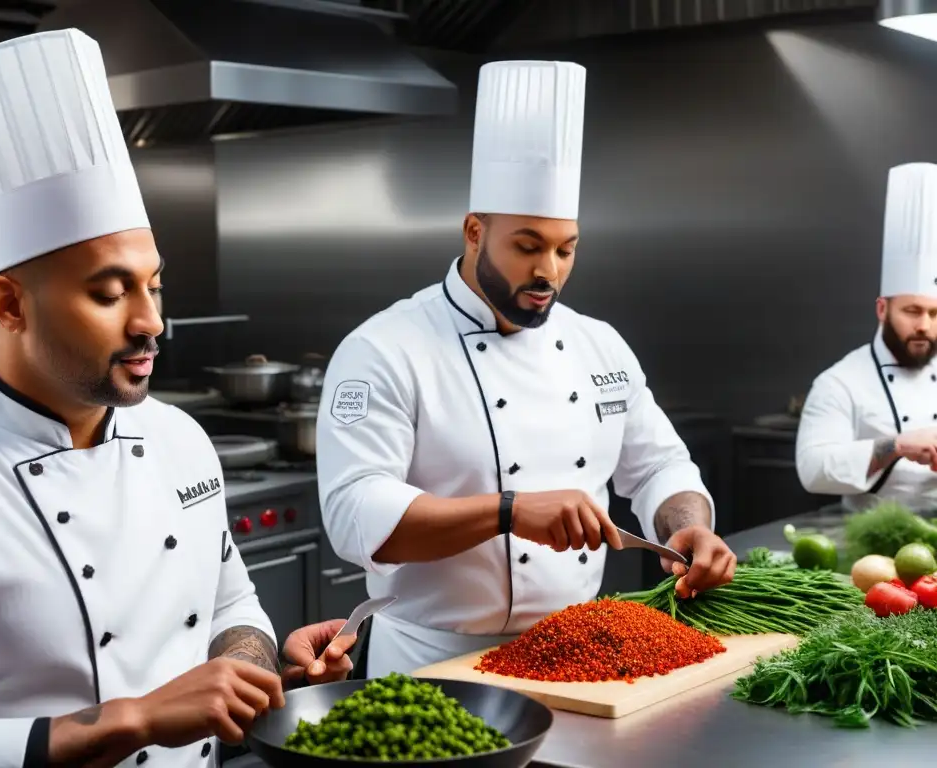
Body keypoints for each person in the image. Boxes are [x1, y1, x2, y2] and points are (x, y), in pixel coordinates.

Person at [0, 30, 354, 768]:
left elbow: (229, 607)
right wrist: (130, 721)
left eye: (153, 285)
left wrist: (256, 669)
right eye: (110, 292)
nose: (150, 320)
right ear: (9, 303)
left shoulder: (178, 437)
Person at [315, 60, 737, 677]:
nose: (550, 272)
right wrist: (509, 510)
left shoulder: (600, 346)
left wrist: (688, 527)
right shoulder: (384, 348)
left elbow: (658, 467)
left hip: (580, 653)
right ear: (474, 231)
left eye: (566, 249)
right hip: (434, 664)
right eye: (528, 246)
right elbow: (356, 517)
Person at [797, 162, 937, 514]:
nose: (924, 325)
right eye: (912, 311)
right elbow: (813, 470)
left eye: (934, 314)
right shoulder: (841, 382)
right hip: (872, 539)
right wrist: (898, 445)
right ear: (881, 309)